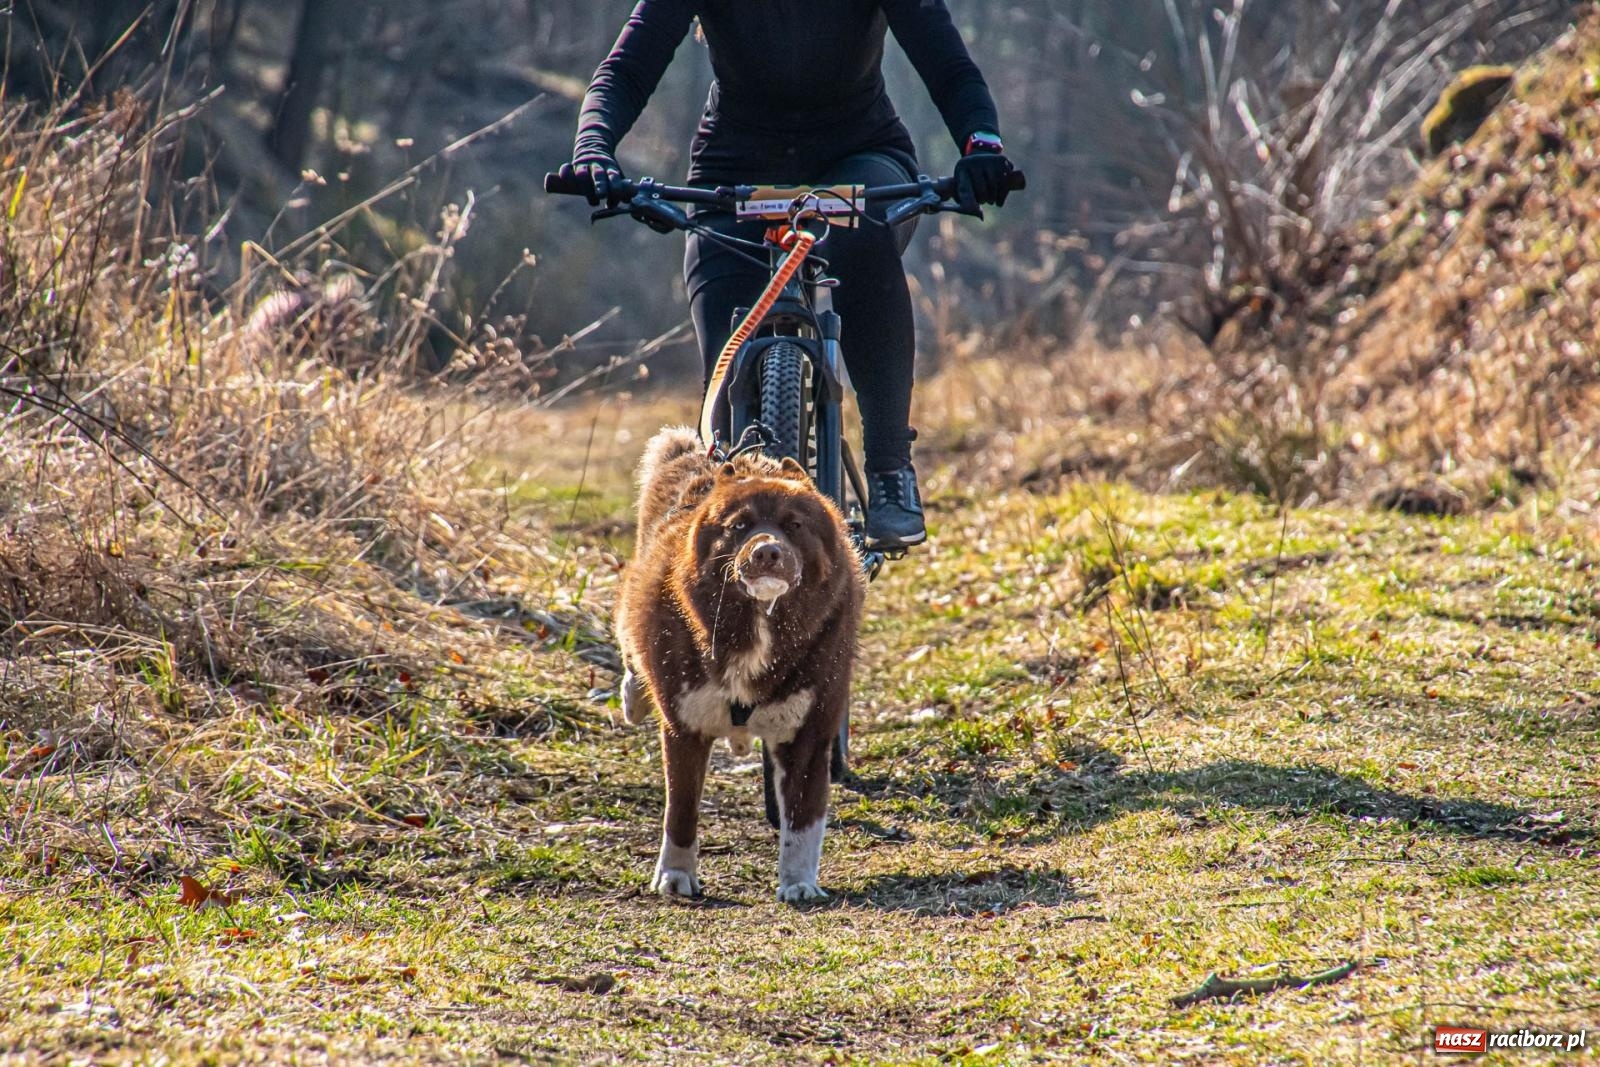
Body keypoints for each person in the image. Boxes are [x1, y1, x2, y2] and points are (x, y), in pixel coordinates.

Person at [562, 0, 1016, 548]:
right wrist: (593, 147)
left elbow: (948, 64)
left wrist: (981, 142)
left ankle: (891, 468)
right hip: (734, 169)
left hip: (860, 157)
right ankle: (727, 505)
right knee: (723, 381)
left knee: (861, 235)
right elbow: (627, 68)